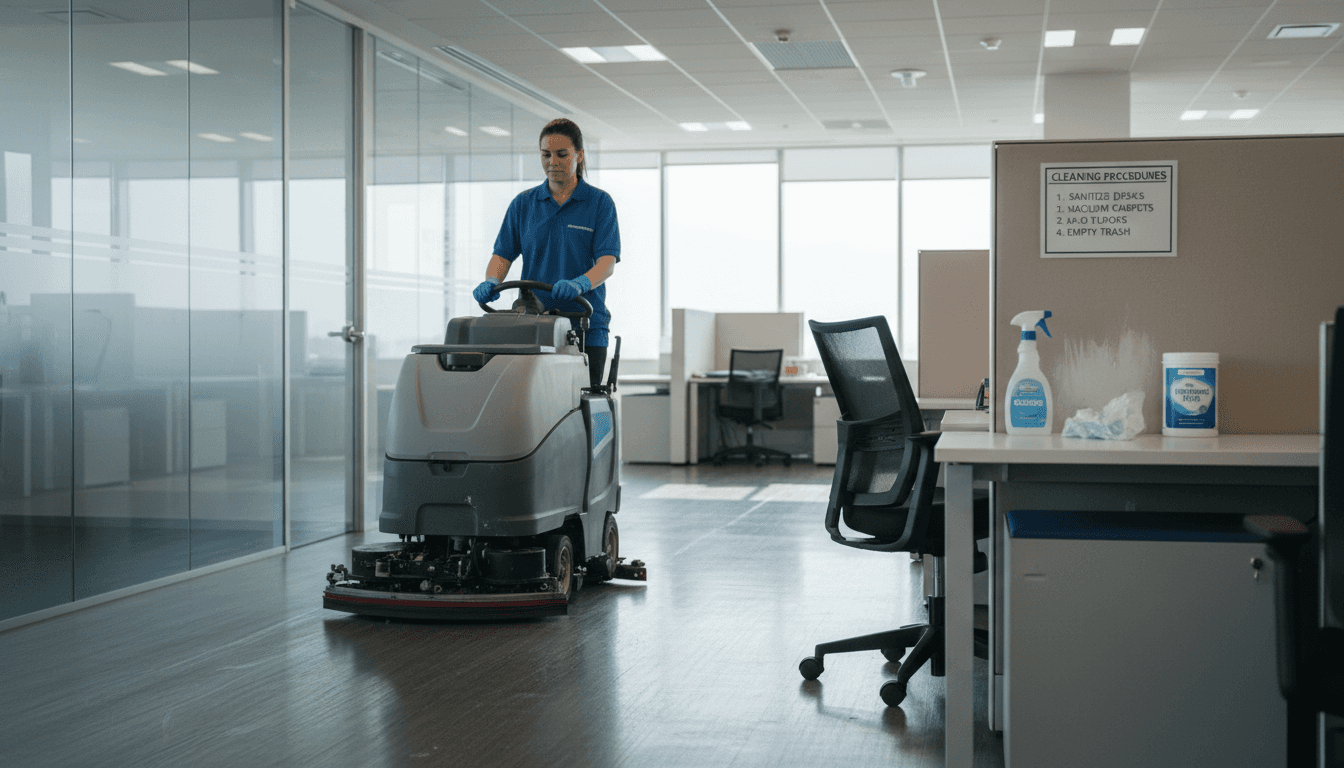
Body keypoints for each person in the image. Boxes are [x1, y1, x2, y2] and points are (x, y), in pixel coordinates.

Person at [473, 118, 619, 390]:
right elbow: (503, 255)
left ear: (579, 155)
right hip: (533, 327)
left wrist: (580, 284)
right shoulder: (523, 204)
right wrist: (492, 280)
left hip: (585, 327)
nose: (553, 161)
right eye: (546, 154)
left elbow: (607, 263)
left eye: (562, 154)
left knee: (581, 411)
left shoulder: (599, 203)